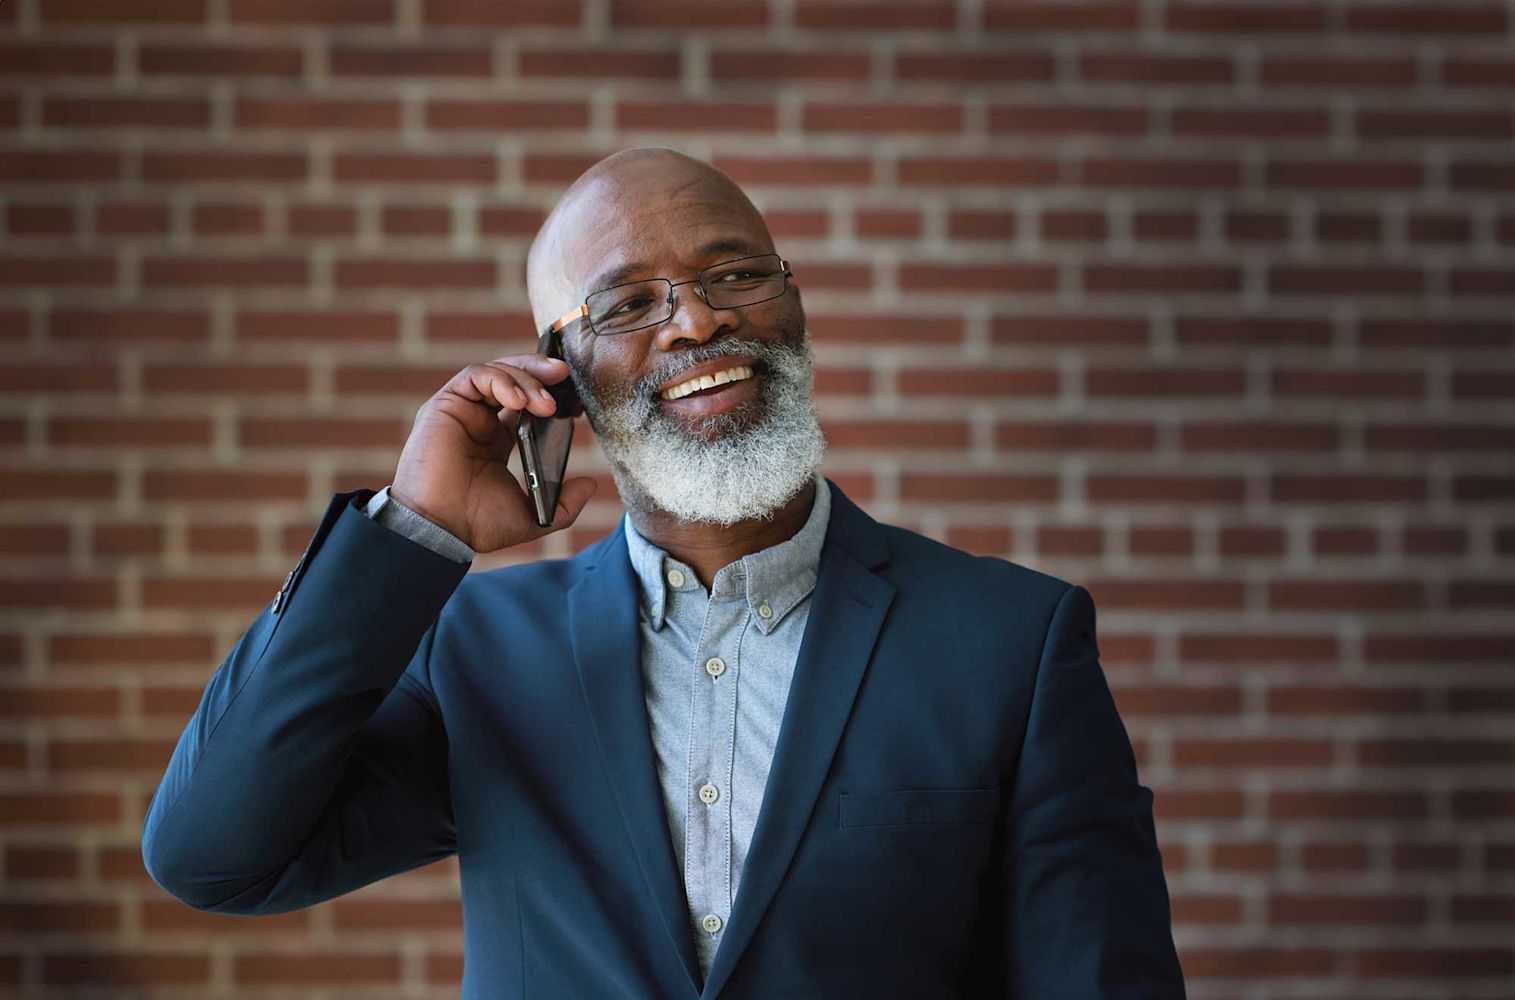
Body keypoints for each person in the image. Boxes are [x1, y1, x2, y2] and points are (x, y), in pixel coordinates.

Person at [141, 147, 1185, 999]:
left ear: (793, 303)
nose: (696, 321)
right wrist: (412, 530)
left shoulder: (1012, 640)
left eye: (734, 275)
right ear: (556, 374)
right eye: (627, 304)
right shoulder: (480, 651)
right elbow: (213, 854)